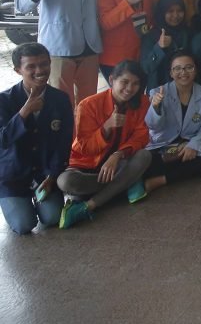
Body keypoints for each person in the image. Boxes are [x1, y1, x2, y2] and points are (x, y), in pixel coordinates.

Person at [55, 60, 152, 229]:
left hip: (119, 164)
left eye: (136, 84)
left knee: (145, 156)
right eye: (125, 82)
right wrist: (106, 127)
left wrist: (117, 155)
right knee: (65, 181)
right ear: (112, 79)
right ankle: (127, 183)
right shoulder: (88, 104)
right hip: (88, 166)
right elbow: (85, 146)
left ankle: (89, 205)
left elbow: (141, 136)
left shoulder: (142, 102)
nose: (130, 89)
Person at [0, 43, 74, 234]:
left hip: (45, 175)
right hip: (12, 176)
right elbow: (3, 139)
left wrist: (52, 175)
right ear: (18, 70)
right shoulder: (4, 100)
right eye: (31, 66)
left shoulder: (60, 99)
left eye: (43, 64)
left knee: (52, 218)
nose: (39, 70)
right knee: (24, 225)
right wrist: (24, 112)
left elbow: (64, 143)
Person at [143, 51, 201, 191]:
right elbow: (153, 126)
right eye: (177, 68)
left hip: (190, 143)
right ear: (171, 73)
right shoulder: (157, 93)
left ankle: (163, 180)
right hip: (165, 146)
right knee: (147, 162)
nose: (183, 72)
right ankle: (199, 168)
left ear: (195, 70)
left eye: (189, 67)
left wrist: (193, 145)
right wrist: (156, 107)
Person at [140, 0, 190, 91]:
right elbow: (146, 67)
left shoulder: (187, 32)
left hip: (185, 88)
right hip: (160, 92)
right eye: (170, 11)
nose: (175, 15)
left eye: (179, 11)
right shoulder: (151, 35)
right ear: (161, 13)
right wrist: (159, 47)